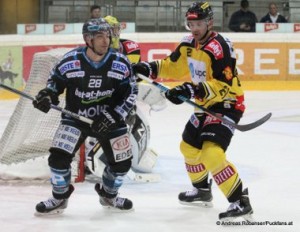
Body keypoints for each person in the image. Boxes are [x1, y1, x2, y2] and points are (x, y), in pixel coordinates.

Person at [132, 1, 253, 221]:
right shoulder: (188, 42)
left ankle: (240, 201)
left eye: (198, 23)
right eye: (191, 23)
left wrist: (190, 89)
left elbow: (222, 85)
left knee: (212, 153)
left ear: (209, 22)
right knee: (188, 146)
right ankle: (202, 191)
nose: (194, 28)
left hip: (227, 103)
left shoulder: (221, 47)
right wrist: (149, 68)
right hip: (204, 102)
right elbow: (173, 65)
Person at [32, 18, 138, 215]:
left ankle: (108, 194)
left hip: (110, 118)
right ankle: (59, 198)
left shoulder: (120, 62)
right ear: (87, 39)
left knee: (123, 164)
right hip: (76, 118)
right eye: (99, 37)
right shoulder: (70, 60)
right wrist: (47, 96)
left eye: (107, 36)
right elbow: (54, 84)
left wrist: (113, 115)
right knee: (58, 159)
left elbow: (131, 93)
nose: (105, 41)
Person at [83, 15, 165, 180]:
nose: (113, 34)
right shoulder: (95, 49)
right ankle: (89, 159)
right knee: (93, 125)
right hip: (101, 96)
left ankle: (120, 159)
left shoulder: (130, 47)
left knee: (124, 123)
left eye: (115, 30)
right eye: (108, 31)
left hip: (122, 96)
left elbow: (135, 79)